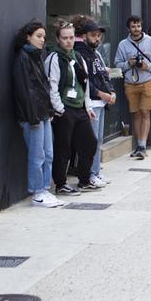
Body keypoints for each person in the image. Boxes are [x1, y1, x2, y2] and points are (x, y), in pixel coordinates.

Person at [11, 20, 61, 207]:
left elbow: (43, 87)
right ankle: (37, 192)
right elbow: (24, 91)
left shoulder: (38, 56)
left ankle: (45, 188)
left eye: (43, 37)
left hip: (44, 113)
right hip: (32, 116)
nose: (42, 40)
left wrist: (49, 111)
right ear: (28, 37)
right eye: (38, 36)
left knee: (48, 153)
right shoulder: (22, 58)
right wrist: (33, 117)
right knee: (37, 155)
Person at [46, 20, 96, 194]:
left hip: (80, 107)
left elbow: (85, 83)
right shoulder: (54, 57)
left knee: (89, 142)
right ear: (58, 39)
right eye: (65, 38)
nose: (69, 41)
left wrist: (87, 106)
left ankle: (84, 179)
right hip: (64, 109)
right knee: (63, 147)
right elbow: (52, 86)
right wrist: (60, 109)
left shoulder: (78, 56)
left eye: (71, 37)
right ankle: (61, 183)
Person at [115, 15, 151, 159]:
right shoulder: (123, 45)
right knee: (136, 114)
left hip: (147, 81)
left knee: (145, 113)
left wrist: (147, 66)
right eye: (133, 26)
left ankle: (142, 146)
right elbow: (118, 64)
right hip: (131, 83)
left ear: (141, 27)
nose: (136, 29)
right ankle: (138, 144)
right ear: (128, 28)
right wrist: (128, 64)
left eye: (138, 26)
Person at [75, 18, 116, 188]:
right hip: (91, 102)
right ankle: (89, 174)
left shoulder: (95, 53)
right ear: (83, 36)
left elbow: (103, 75)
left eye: (98, 36)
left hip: (100, 102)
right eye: (93, 35)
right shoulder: (81, 54)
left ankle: (96, 171)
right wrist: (102, 94)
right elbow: (85, 82)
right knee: (90, 142)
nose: (97, 39)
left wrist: (111, 91)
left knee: (98, 140)